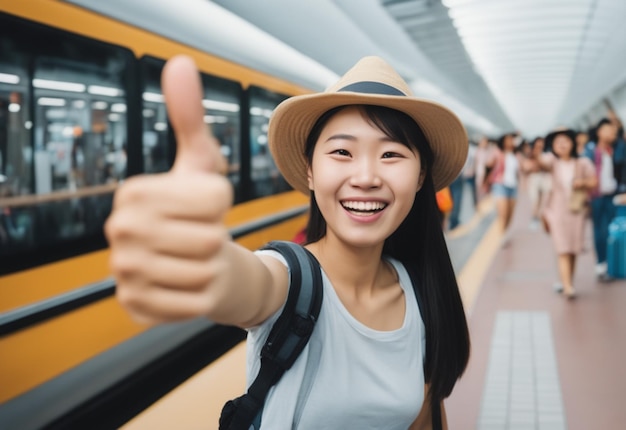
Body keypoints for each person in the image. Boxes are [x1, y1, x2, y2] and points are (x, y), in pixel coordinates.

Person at [105, 55, 470, 429]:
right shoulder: (289, 281)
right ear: (310, 170)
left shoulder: (422, 293)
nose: (366, 177)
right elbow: (248, 282)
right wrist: (203, 260)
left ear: (421, 175)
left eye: (391, 154)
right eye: (342, 152)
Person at [540, 129, 597, 299]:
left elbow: (594, 181)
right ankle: (567, 286)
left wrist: (583, 182)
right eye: (557, 142)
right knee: (562, 248)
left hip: (576, 211)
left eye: (565, 141)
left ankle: (568, 281)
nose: (562, 145)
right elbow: (540, 164)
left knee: (573, 248)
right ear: (553, 147)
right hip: (556, 211)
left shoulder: (583, 163)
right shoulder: (552, 162)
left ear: (573, 142)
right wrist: (536, 153)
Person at [583, 118, 619, 280]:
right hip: (596, 196)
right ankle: (601, 264)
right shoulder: (590, 151)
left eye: (613, 131)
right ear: (599, 132)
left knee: (613, 230)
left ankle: (613, 264)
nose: (612, 134)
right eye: (608, 130)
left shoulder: (617, 149)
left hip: (613, 195)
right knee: (600, 230)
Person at [485, 132, 521, 243]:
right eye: (508, 139)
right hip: (500, 185)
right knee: (503, 214)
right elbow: (488, 164)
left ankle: (504, 232)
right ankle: (501, 236)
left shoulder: (516, 155)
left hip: (513, 186)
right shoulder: (498, 152)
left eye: (512, 139)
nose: (511, 141)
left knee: (510, 215)